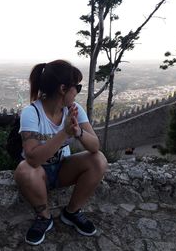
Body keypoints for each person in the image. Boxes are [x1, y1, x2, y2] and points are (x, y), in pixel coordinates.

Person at [13, 59, 108, 246]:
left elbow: (95, 145)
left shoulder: (74, 110)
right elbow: (32, 159)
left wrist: (78, 132)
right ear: (63, 89)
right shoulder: (32, 113)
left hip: (63, 168)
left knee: (99, 160)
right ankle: (44, 217)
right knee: (24, 170)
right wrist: (64, 132)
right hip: (39, 174)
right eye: (77, 87)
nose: (77, 92)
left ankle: (71, 212)